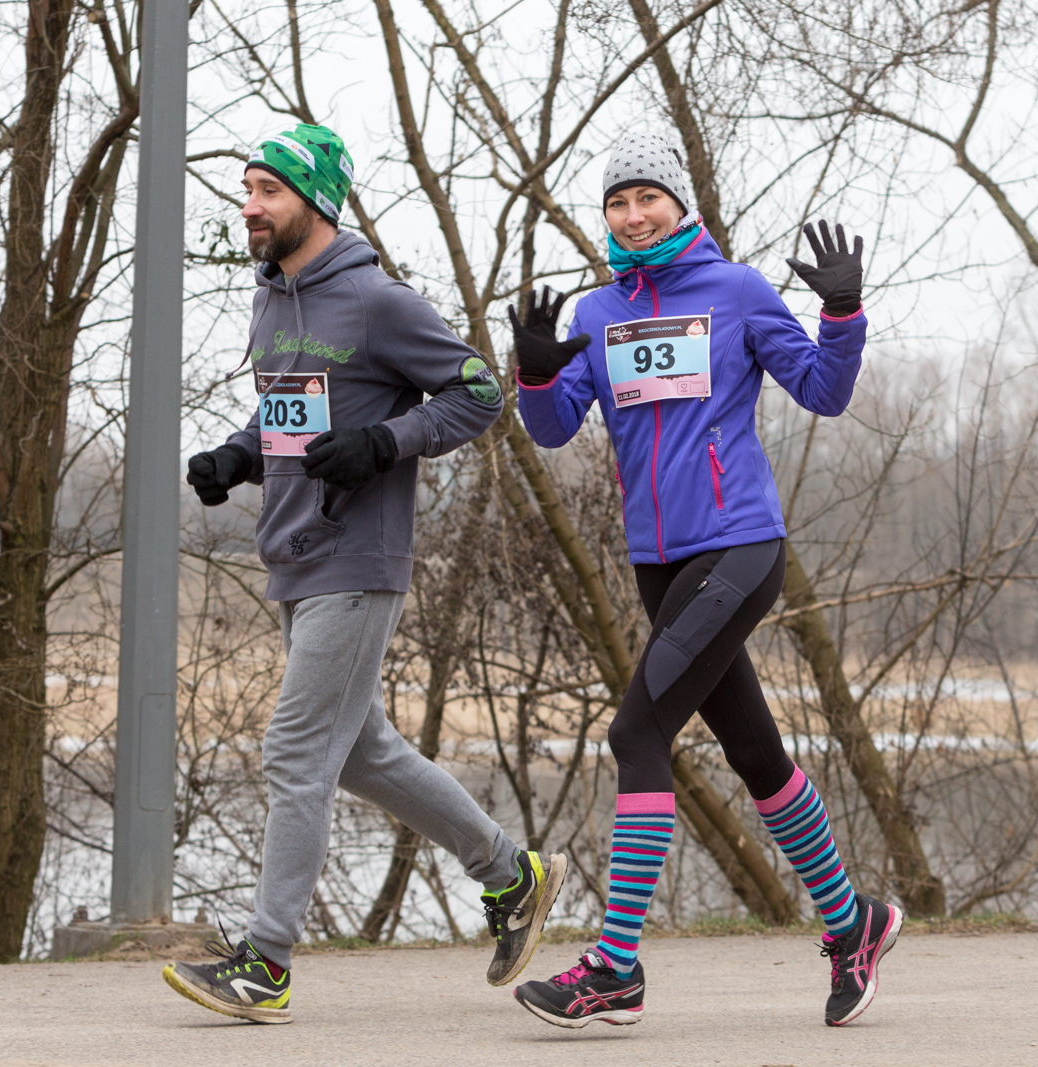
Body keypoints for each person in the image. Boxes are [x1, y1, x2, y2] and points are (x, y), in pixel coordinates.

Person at [165, 123, 566, 1024]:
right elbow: (291, 419)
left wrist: (389, 439)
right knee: (363, 753)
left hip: (360, 559)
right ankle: (514, 874)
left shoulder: (380, 302)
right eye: (247, 188)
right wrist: (238, 457)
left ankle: (265, 960)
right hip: (294, 557)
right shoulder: (273, 301)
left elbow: (477, 392)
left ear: (314, 199)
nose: (250, 205)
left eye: (268, 189)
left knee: (296, 752)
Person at [508, 132, 899, 1029]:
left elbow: (822, 390)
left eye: (648, 197)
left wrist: (841, 315)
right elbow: (555, 427)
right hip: (658, 564)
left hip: (739, 547)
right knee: (757, 755)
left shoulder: (739, 291)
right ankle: (854, 924)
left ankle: (614, 968)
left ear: (680, 206)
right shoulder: (600, 311)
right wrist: (534, 367)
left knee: (637, 732)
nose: (633, 214)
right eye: (617, 202)